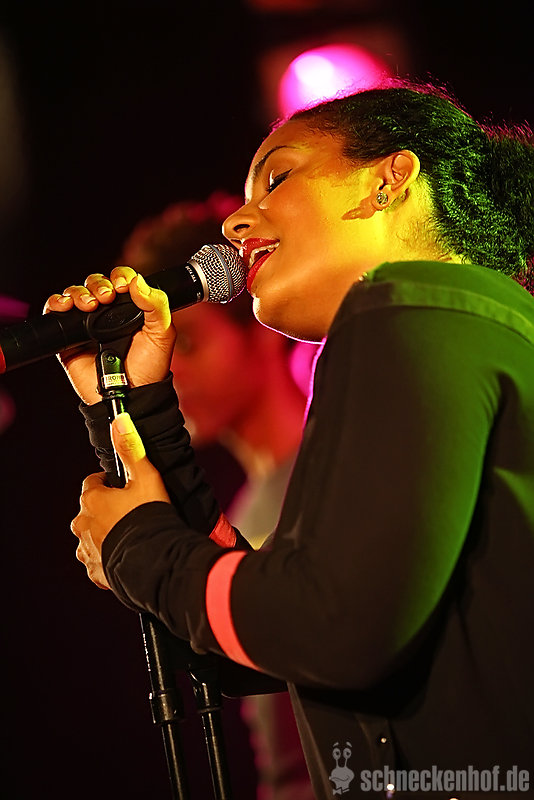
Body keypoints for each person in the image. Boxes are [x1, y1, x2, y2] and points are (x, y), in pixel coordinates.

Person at [46, 79, 534, 799]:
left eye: (276, 178)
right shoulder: (465, 329)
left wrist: (139, 546)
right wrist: (135, 403)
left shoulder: (407, 314)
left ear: (389, 180)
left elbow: (329, 627)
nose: (236, 223)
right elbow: (268, 642)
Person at [119, 194, 315, 799]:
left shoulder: (330, 473)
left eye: (189, 345)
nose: (169, 371)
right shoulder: (241, 509)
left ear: (262, 330)